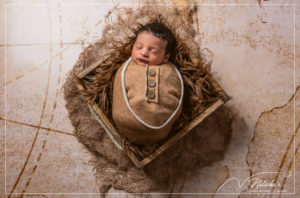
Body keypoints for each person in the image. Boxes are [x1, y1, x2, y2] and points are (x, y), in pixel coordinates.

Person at [112, 22, 184, 146]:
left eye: (153, 51)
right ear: (132, 47)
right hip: (127, 121)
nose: (144, 53)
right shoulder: (129, 68)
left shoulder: (168, 70)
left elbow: (174, 88)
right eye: (139, 47)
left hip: (161, 126)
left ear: (165, 57)